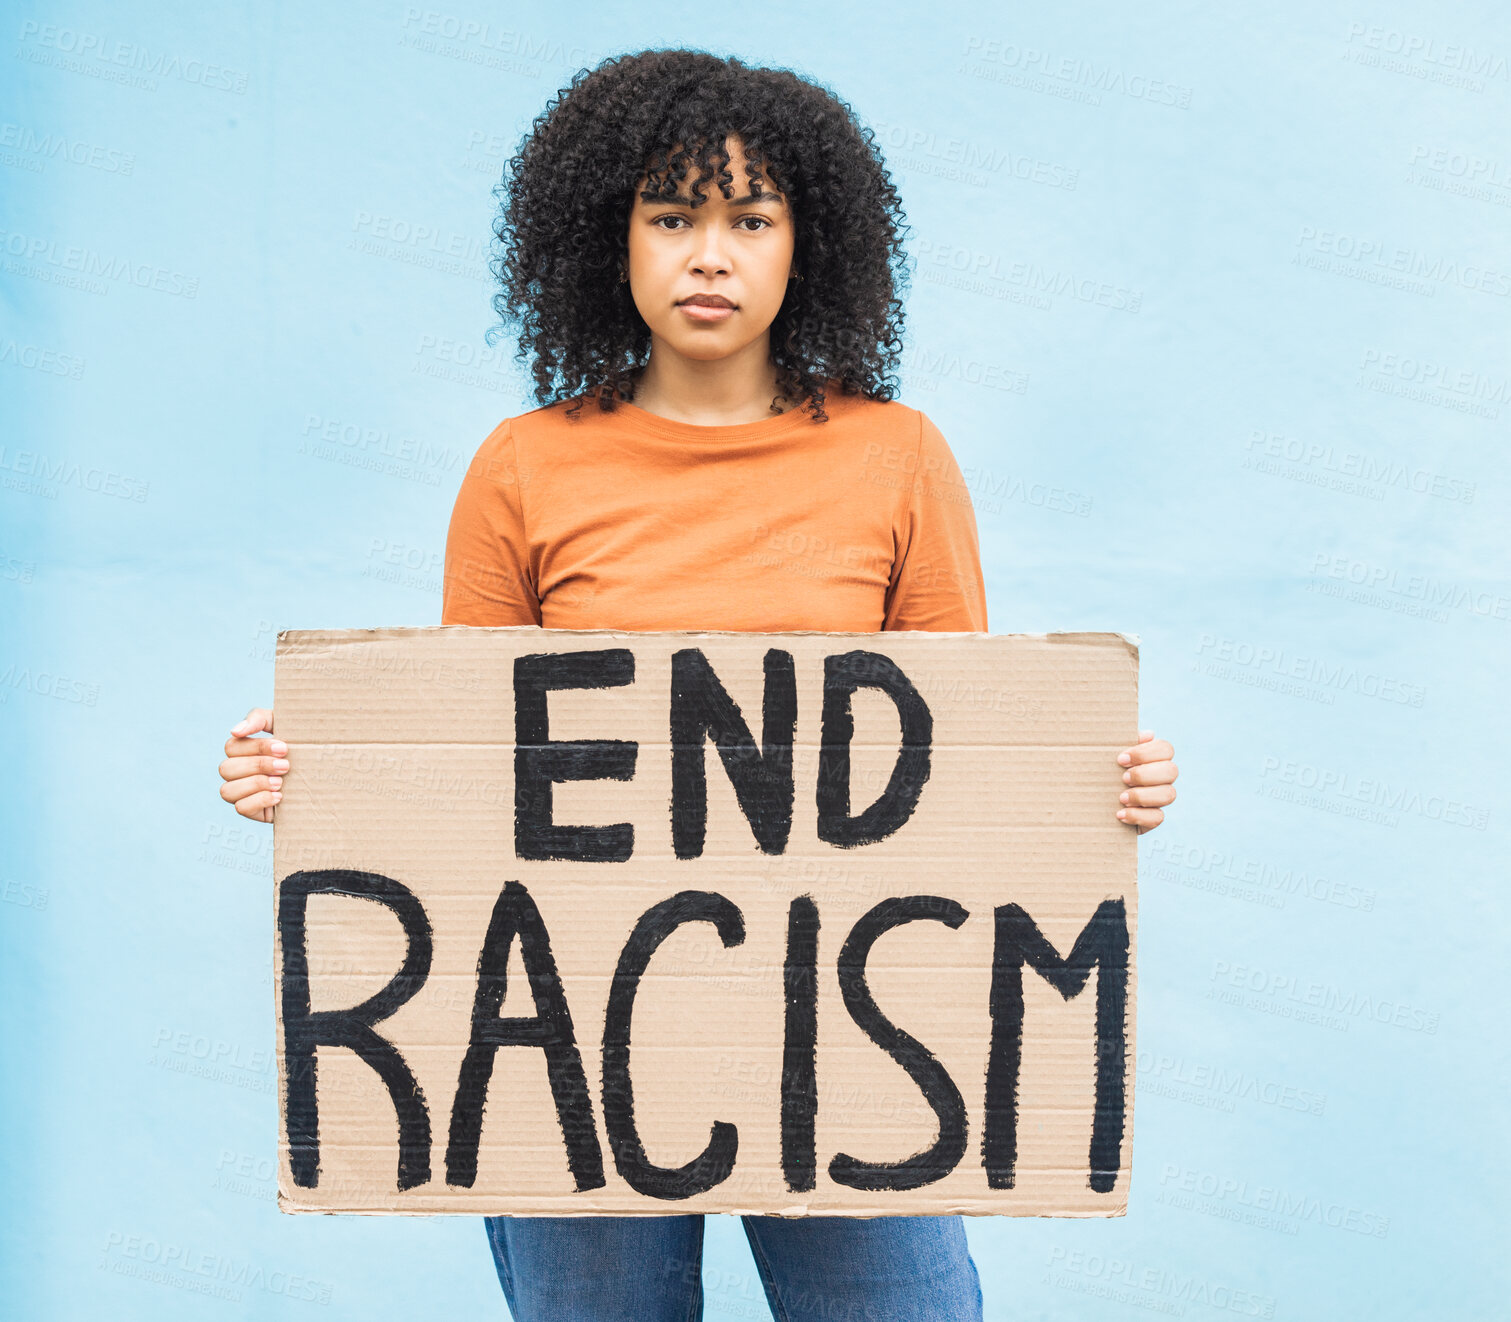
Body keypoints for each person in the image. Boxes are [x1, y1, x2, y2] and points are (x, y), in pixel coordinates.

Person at [217, 48, 1179, 1322]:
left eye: (749, 219)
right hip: (576, 1033)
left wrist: (1088, 783)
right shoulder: (520, 468)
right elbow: (475, 762)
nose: (708, 254)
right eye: (670, 217)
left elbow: (960, 752)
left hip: (844, 1025)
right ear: (605, 240)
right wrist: (319, 779)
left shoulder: (899, 459)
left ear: (806, 245)